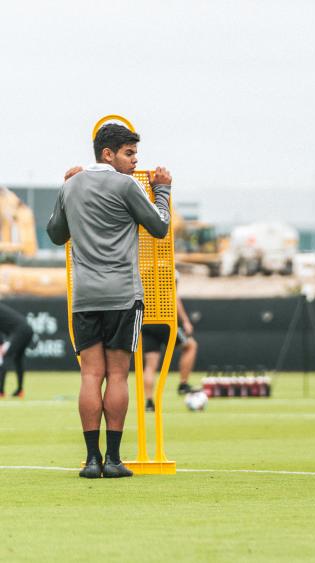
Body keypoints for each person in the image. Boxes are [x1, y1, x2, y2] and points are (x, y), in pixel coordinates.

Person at [48, 123, 172, 478]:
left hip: (85, 296)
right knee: (117, 375)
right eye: (129, 154)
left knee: (91, 375)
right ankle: (114, 460)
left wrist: (65, 189)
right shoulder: (126, 185)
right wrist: (161, 190)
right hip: (122, 295)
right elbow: (159, 226)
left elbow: (56, 234)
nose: (135, 162)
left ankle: (90, 461)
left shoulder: (71, 185)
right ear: (108, 154)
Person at [141, 293, 199, 412]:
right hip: (166, 320)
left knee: (150, 365)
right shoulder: (171, 273)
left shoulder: (140, 274)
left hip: (147, 321)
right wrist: (185, 320)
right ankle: (183, 384)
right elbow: (174, 296)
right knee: (191, 345)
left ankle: (149, 402)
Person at [0, 302, 34, 398]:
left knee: (6, 357)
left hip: (21, 331)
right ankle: (19, 390)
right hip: (27, 329)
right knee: (18, 359)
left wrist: (1, 344)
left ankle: (1, 391)